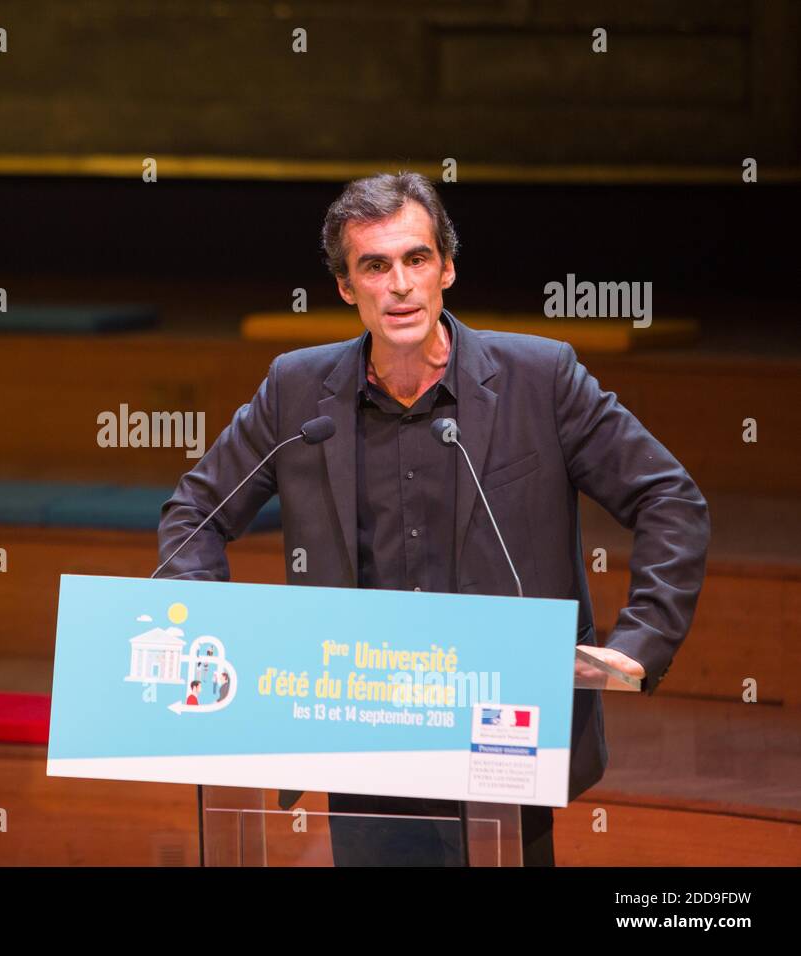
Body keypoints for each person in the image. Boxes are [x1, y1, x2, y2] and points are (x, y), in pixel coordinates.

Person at [157, 172, 710, 867]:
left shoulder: (540, 378)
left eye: (416, 259)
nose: (399, 284)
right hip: (361, 734)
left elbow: (669, 497)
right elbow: (195, 513)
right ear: (345, 287)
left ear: (446, 267)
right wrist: (217, 639)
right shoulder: (297, 391)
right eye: (374, 266)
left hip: (504, 727)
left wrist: (645, 637)